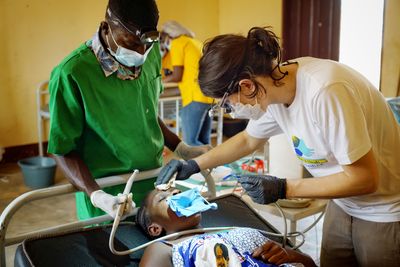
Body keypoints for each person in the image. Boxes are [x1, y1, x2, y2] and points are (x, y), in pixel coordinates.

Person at [156, 27, 400, 267]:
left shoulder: (325, 92)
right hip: (343, 202)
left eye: (227, 104)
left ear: (247, 86)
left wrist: (284, 188)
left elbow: (366, 179)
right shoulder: (272, 90)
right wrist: (193, 164)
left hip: (384, 208)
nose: (230, 111)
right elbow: (248, 140)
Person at [47, 0, 210, 221]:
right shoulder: (72, 74)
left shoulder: (150, 56)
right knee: (110, 252)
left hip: (153, 182)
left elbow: (147, 113)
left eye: (147, 43)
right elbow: (62, 149)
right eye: (131, 44)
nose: (141, 52)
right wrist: (97, 196)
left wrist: (181, 148)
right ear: (106, 29)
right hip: (108, 192)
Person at [136, 188, 317, 267]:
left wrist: (288, 255)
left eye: (176, 190)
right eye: (162, 198)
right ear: (155, 229)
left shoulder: (234, 230)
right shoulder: (164, 247)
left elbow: (309, 263)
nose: (176, 193)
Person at [160, 21, 214, 146]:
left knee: (190, 142)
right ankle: (215, 164)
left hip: (194, 97)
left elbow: (177, 76)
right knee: (204, 141)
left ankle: (222, 162)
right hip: (208, 95)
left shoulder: (178, 43)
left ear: (169, 35)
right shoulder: (195, 42)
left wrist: (159, 81)